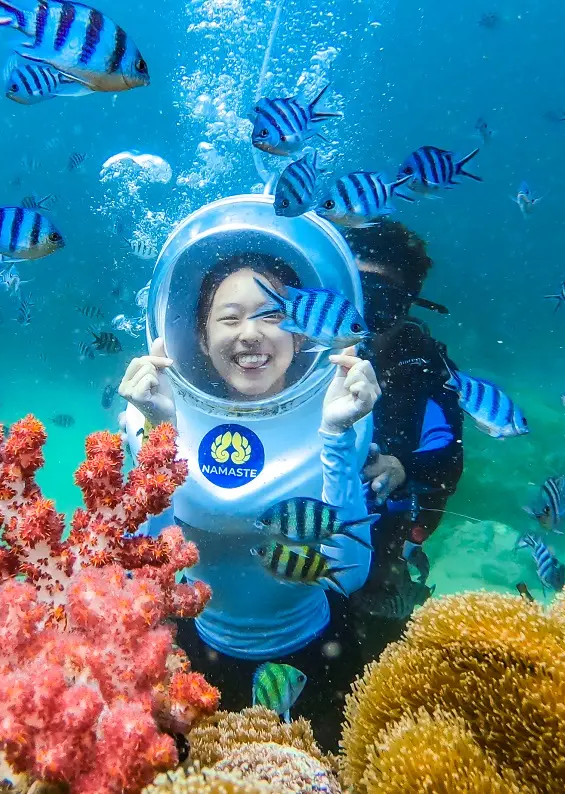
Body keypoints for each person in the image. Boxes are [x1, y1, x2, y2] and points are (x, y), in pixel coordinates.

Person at [119, 195, 379, 750]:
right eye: (229, 318)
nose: (249, 334)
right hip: (196, 655)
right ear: (200, 335)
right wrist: (157, 433)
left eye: (269, 316)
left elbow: (352, 574)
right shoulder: (152, 408)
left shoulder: (339, 406)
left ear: (301, 332)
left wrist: (337, 436)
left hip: (318, 655)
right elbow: (144, 570)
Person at [341, 221, 464, 658]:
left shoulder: (424, 366)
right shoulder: (294, 350)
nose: (362, 318)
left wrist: (402, 468)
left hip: (381, 541)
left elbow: (450, 459)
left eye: (382, 302)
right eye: (354, 294)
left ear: (407, 306)